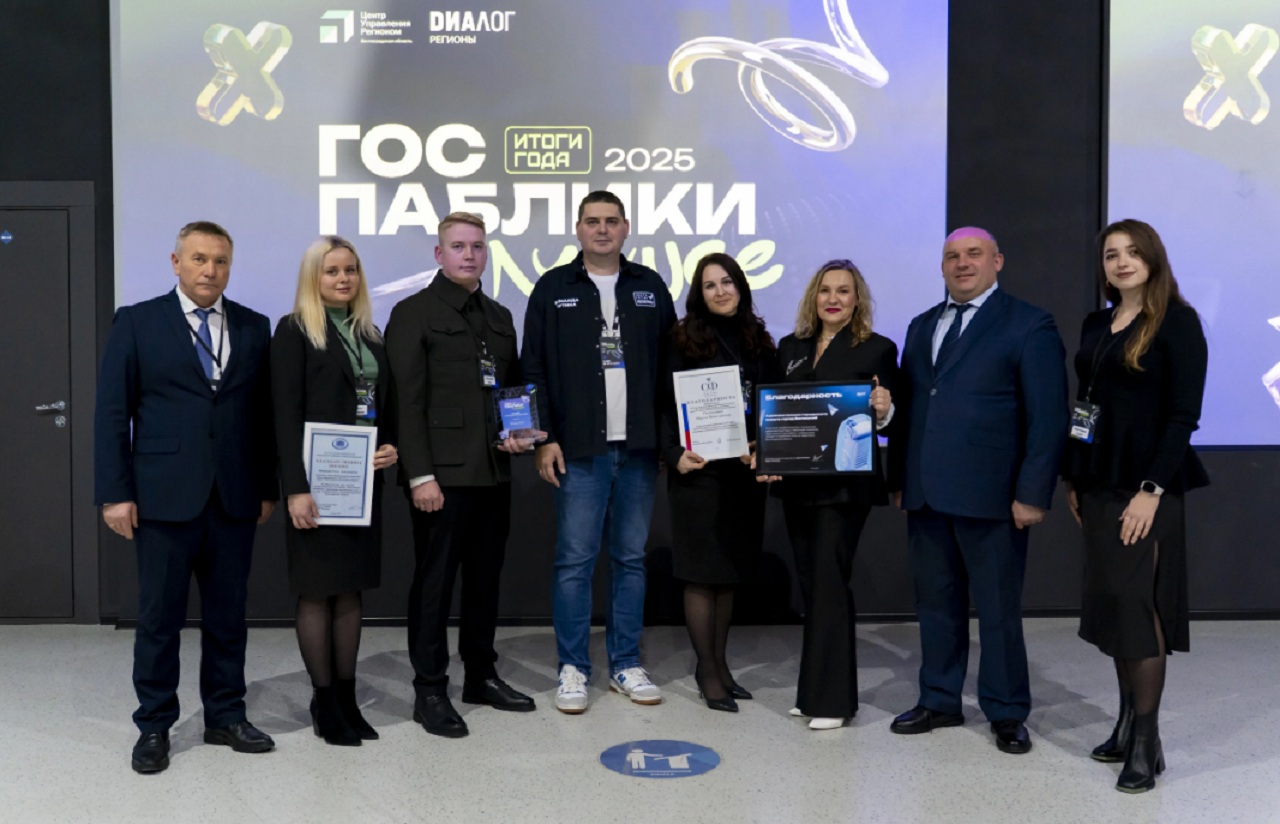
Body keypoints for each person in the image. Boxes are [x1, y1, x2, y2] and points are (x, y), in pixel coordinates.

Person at [94, 221, 278, 774]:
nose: (210, 270)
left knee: (228, 618)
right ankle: (154, 725)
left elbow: (262, 417)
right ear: (176, 263)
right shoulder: (137, 322)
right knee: (159, 620)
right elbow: (112, 413)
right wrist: (114, 494)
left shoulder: (253, 325)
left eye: (220, 261)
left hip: (234, 497)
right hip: (162, 498)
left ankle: (225, 715)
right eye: (199, 259)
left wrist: (266, 487)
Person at [887, 227, 1068, 754]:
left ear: (997, 262)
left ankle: (1007, 710)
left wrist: (1032, 492)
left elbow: (1048, 417)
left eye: (974, 254)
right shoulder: (922, 325)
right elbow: (913, 407)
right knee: (936, 607)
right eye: (952, 256)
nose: (962, 263)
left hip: (994, 497)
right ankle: (940, 699)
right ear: (941, 265)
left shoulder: (1029, 323)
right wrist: (900, 479)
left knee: (997, 611)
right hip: (926, 493)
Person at [1062, 219, 1207, 793]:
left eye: (1132, 252)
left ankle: (1147, 742)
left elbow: (1183, 416)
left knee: (1136, 604)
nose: (1121, 262)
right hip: (1098, 481)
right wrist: (1074, 475)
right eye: (1110, 254)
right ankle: (1126, 724)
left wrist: (1150, 491)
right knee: (1113, 606)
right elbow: (1085, 405)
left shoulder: (1177, 321)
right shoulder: (1096, 323)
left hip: (1148, 487)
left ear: (1152, 259)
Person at [385, 212, 539, 739]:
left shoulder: (499, 315)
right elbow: (406, 402)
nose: (469, 255)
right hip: (442, 478)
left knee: (484, 580)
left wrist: (519, 433)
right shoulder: (413, 312)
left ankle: (480, 675)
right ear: (439, 253)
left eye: (477, 246)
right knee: (435, 585)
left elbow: (509, 391)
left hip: (493, 471)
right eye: (458, 246)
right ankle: (429, 689)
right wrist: (419, 476)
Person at [522, 190, 677, 714]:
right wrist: (544, 439)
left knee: (630, 560)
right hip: (578, 450)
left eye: (612, 221)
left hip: (638, 450)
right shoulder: (553, 288)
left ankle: (626, 663)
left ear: (626, 227)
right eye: (593, 221)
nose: (603, 229)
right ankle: (573, 667)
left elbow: (670, 371)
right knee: (574, 562)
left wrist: (668, 441)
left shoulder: (650, 287)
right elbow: (533, 368)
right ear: (578, 228)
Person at [270, 236, 399, 746]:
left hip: (361, 485)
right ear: (313, 278)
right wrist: (295, 489)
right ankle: (324, 702)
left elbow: (382, 406)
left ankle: (347, 698)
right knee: (317, 590)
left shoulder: (370, 333)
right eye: (331, 271)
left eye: (350, 270)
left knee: (350, 589)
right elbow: (284, 416)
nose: (343, 279)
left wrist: (389, 447)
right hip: (316, 487)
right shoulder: (294, 330)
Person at [763, 260, 896, 730]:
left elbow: (889, 418)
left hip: (845, 487)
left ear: (857, 299)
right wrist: (768, 453)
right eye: (825, 291)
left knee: (829, 583)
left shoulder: (878, 348)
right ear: (813, 298)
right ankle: (812, 693)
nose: (833, 299)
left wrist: (884, 409)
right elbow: (778, 412)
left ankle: (834, 702)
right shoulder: (790, 347)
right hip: (798, 485)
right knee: (812, 584)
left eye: (843, 291)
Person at [659, 253, 778, 713]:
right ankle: (706, 671)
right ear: (699, 294)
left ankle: (721, 665)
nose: (720, 291)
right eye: (710, 285)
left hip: (743, 474)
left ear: (741, 286)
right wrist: (673, 453)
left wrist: (762, 442)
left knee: (729, 573)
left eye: (727, 282)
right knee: (701, 573)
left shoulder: (759, 341)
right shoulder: (681, 339)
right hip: (698, 472)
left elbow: (770, 404)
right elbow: (661, 404)